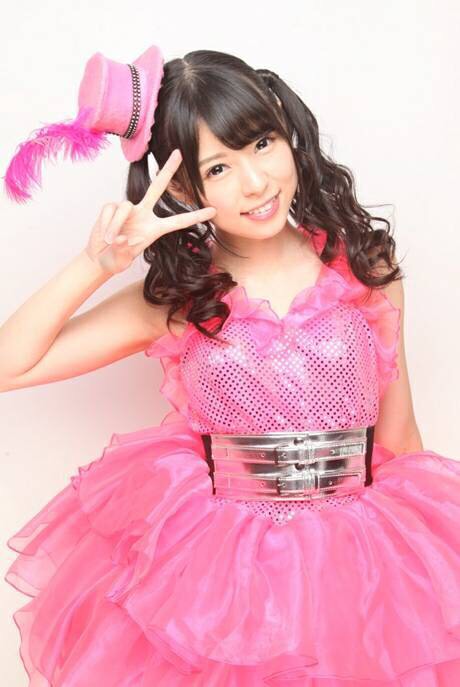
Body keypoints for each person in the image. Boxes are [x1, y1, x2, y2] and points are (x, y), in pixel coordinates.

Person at [2, 43, 460, 687]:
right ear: (181, 186)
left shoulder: (365, 269)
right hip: (231, 579)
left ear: (287, 130)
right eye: (218, 168)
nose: (255, 182)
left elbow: (401, 438)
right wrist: (95, 266)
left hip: (355, 567)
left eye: (262, 143)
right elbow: (10, 365)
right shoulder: (182, 299)